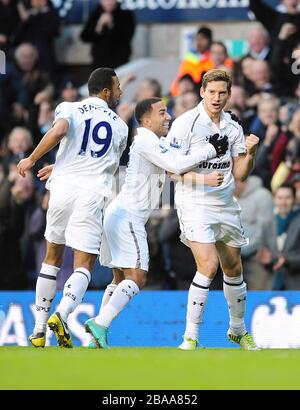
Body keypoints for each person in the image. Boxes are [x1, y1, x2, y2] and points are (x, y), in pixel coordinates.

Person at [84, 97, 228, 348]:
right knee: (138, 277)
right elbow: (175, 164)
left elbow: (176, 166)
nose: (168, 116)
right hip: (129, 215)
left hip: (117, 213)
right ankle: (100, 324)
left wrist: (205, 146)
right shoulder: (145, 140)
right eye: (162, 113)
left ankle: (95, 337)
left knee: (118, 279)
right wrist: (210, 150)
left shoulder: (154, 143)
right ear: (146, 120)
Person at [17, 67, 128, 348]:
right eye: (117, 86)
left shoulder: (69, 107)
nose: (120, 91)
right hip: (91, 193)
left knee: (51, 256)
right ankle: (62, 313)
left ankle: (39, 329)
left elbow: (62, 132)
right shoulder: (120, 125)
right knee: (84, 263)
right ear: (105, 91)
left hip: (62, 187)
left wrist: (34, 158)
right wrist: (38, 159)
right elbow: (108, 166)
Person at [164, 69, 260, 350]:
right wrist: (202, 178)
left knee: (233, 268)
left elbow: (241, 173)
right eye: (212, 92)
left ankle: (238, 330)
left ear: (229, 95)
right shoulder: (185, 124)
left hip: (225, 202)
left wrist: (251, 153)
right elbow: (171, 170)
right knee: (208, 265)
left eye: (222, 93)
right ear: (202, 92)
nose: (217, 98)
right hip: (194, 202)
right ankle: (190, 336)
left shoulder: (232, 127)